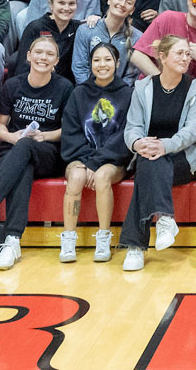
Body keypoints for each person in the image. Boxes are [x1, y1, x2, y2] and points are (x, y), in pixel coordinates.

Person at [0, 36, 74, 270]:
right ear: (29, 56)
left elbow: (68, 130)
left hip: (47, 150)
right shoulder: (13, 85)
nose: (43, 58)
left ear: (56, 60)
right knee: (23, 165)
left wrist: (45, 135)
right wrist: (12, 137)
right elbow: (0, 127)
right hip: (13, 147)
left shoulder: (64, 87)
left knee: (26, 148)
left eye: (49, 54)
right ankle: (12, 241)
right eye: (39, 52)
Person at [118, 35, 196, 271]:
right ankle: (165, 220)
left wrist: (164, 146)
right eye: (179, 53)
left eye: (188, 54)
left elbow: (193, 131)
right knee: (149, 161)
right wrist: (137, 143)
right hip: (149, 154)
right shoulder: (143, 87)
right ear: (163, 56)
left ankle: (135, 247)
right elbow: (132, 127)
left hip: (183, 160)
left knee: (149, 164)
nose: (185, 58)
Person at [59, 42, 135, 262]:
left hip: (113, 160)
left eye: (108, 60)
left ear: (117, 63)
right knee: (76, 176)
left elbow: (125, 134)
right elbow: (71, 133)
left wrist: (97, 162)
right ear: (90, 64)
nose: (102, 64)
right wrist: (87, 161)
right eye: (97, 60)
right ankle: (69, 239)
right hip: (81, 157)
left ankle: (103, 238)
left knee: (102, 176)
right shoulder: (79, 93)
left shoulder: (128, 94)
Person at [11, 0, 81, 80]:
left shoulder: (78, 28)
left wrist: (95, 18)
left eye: (71, 3)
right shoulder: (35, 27)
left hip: (64, 88)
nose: (66, 8)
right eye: (61, 3)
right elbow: (22, 67)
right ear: (51, 4)